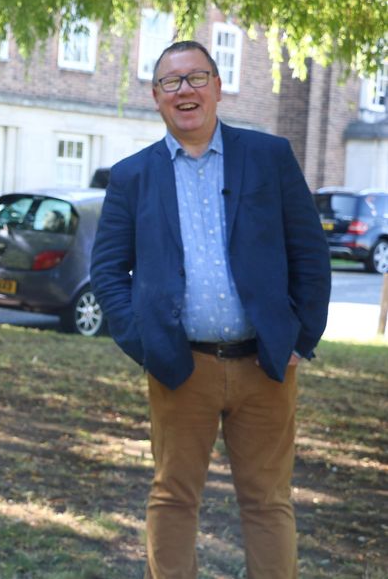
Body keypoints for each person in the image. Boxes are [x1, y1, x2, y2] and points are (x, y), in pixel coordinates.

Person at [91, 40, 331, 578]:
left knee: (268, 500)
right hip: (181, 366)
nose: (185, 90)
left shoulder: (269, 157)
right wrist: (147, 344)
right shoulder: (132, 176)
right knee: (173, 497)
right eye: (171, 81)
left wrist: (300, 339)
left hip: (267, 365)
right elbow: (107, 272)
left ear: (218, 87)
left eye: (196, 77)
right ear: (156, 96)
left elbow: (310, 253)